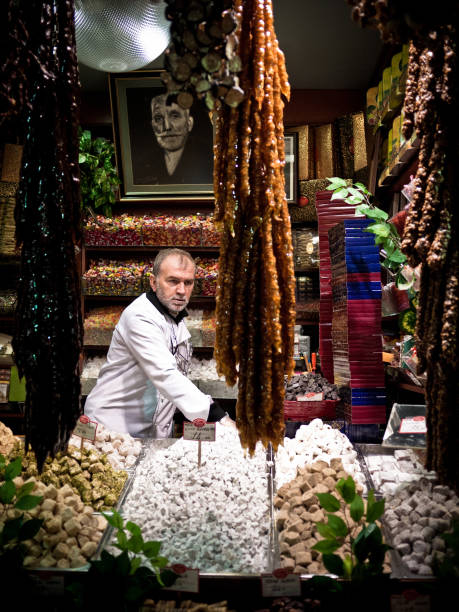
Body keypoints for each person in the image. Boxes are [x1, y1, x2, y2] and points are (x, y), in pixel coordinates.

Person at [84, 248, 232, 438]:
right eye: (173, 281)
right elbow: (165, 373)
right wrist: (216, 415)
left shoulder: (173, 315)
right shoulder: (140, 316)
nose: (181, 290)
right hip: (112, 427)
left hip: (146, 427)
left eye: (188, 282)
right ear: (153, 282)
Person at [130, 92, 213, 186]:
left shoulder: (208, 159)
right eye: (158, 118)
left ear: (189, 123)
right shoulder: (143, 165)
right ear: (153, 126)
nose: (167, 126)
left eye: (175, 116)